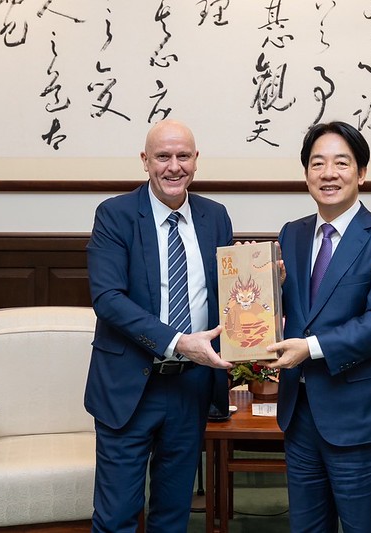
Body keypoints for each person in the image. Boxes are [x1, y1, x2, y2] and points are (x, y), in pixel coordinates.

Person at [84, 119, 233, 533]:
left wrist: (267, 290)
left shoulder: (215, 216)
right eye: (163, 157)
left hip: (190, 388)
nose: (173, 167)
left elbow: (227, 292)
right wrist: (178, 342)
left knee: (173, 516)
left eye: (182, 156)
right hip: (129, 386)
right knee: (116, 518)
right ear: (145, 161)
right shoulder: (115, 215)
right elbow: (108, 299)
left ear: (196, 161)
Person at [266, 121, 371, 532]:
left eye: (341, 163)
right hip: (300, 415)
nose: (328, 173)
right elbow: (294, 310)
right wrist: (268, 293)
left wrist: (309, 348)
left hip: (360, 417)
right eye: (317, 163)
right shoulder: (290, 234)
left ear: (361, 173)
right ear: (307, 174)